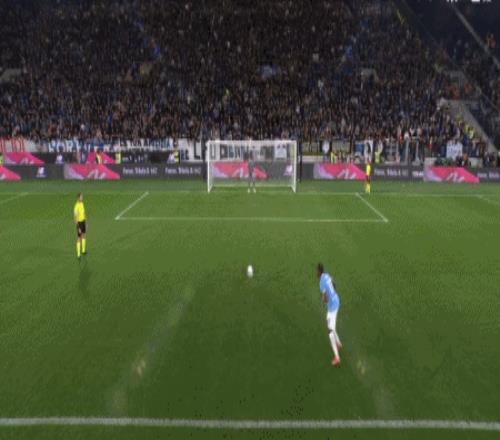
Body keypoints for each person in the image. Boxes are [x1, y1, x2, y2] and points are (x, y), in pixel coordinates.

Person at [317, 263, 342, 366]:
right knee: (331, 325)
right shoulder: (327, 275)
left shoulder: (321, 283)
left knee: (330, 331)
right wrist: (332, 293)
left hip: (332, 307)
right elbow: (334, 283)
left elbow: (325, 298)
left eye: (317, 271)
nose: (316, 273)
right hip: (336, 300)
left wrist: (324, 299)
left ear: (319, 271)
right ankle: (338, 344)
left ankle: (337, 357)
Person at [73, 193, 87, 259]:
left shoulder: (82, 203)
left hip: (83, 221)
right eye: (81, 197)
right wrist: (78, 227)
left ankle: (83, 250)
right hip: (79, 223)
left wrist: (86, 222)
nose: (82, 198)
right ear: (78, 198)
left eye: (82, 197)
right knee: (79, 237)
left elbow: (84, 213)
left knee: (84, 235)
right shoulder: (76, 206)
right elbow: (75, 218)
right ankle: (78, 254)